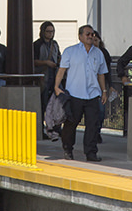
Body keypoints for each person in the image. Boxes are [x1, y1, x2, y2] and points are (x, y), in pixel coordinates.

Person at [54, 25, 108, 162]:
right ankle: (67, 148)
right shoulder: (70, 51)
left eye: (93, 34)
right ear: (80, 36)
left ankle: (91, 152)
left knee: (92, 124)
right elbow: (61, 71)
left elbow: (101, 74)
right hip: (74, 94)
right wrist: (56, 86)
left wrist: (104, 91)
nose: (91, 36)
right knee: (71, 124)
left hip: (92, 94)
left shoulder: (98, 53)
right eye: (88, 34)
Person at [33, 21, 61, 140]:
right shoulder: (37, 44)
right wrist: (46, 62)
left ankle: (55, 129)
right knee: (42, 105)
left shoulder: (55, 44)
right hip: (42, 77)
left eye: (52, 31)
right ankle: (41, 129)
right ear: (43, 32)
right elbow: (33, 61)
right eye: (48, 31)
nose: (51, 34)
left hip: (54, 76)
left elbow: (59, 56)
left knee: (56, 105)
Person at [90, 30, 113, 144]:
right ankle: (92, 132)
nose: (93, 42)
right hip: (89, 87)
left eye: (96, 39)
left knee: (101, 110)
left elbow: (106, 71)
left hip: (101, 87)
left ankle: (97, 131)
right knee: (91, 111)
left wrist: (110, 86)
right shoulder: (86, 52)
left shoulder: (103, 53)